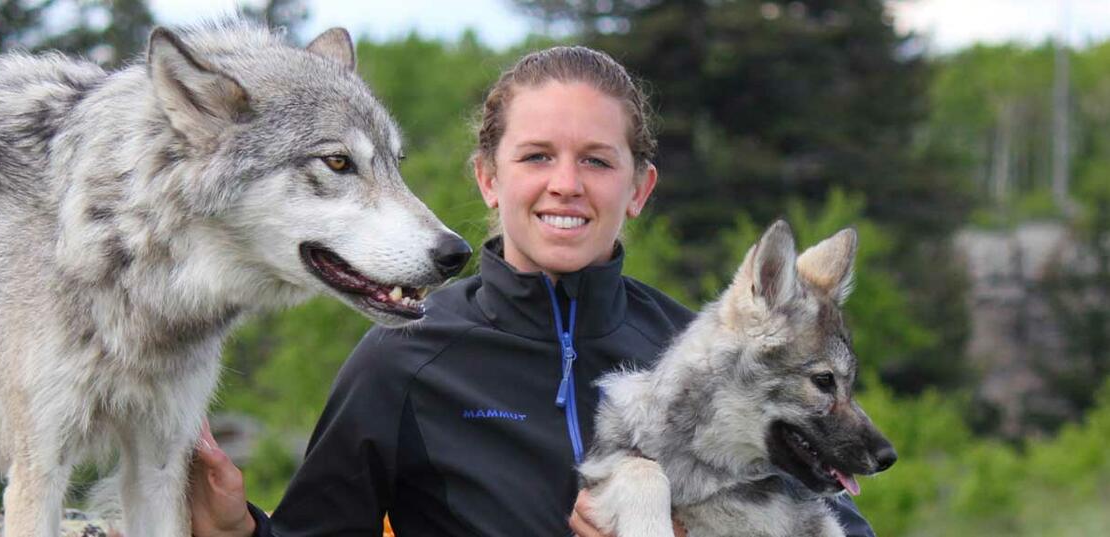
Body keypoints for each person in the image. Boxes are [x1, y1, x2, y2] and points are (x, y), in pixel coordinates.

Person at [190, 45, 876, 537]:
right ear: (488, 177)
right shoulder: (404, 357)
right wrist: (237, 528)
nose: (566, 184)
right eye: (537, 155)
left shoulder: (705, 353)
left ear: (639, 189)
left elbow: (842, 524)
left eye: (598, 160)